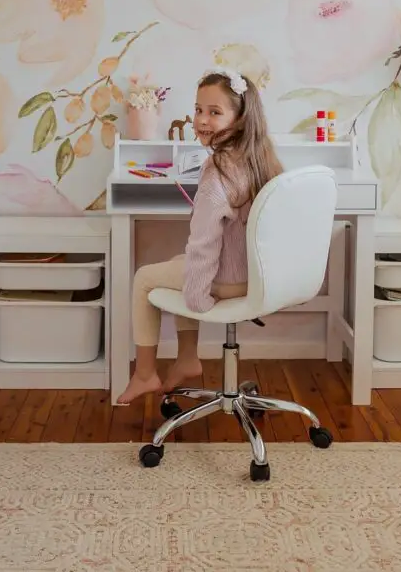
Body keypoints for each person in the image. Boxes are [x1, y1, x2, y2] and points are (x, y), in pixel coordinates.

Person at [116, 67, 283, 405]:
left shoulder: (217, 171)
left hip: (231, 278)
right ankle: (187, 359)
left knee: (145, 278)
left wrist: (196, 300)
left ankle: (145, 374)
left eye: (215, 112)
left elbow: (204, 243)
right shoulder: (263, 158)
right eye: (198, 110)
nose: (202, 120)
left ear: (239, 118)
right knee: (182, 264)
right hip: (259, 272)